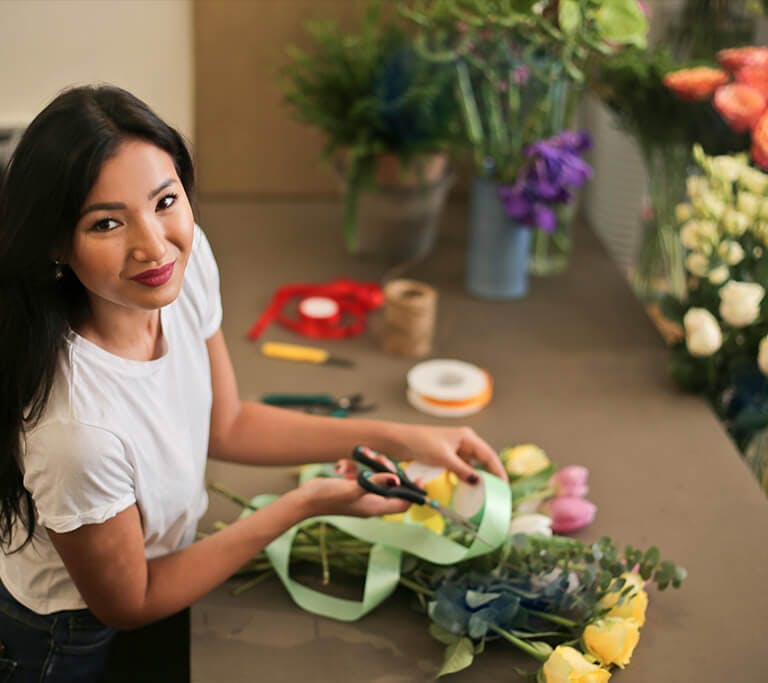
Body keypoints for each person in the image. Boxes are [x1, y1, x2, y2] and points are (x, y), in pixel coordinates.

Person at [0, 85, 507, 683]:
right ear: (58, 244)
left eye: (165, 200)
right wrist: (306, 504)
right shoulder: (76, 431)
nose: (153, 244)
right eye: (107, 222)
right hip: (62, 636)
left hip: (158, 566)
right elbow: (128, 601)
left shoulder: (177, 273)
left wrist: (404, 437)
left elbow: (229, 421)